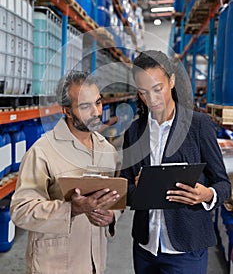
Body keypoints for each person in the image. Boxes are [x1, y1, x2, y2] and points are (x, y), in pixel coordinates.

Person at [120, 50, 232, 274]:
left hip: (186, 249)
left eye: (157, 89)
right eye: (143, 92)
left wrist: (207, 195)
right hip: (145, 247)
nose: (151, 99)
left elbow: (223, 184)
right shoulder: (134, 132)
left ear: (171, 81)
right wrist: (140, 189)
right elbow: (125, 187)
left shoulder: (198, 126)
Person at [10, 70, 122, 274]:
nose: (96, 112)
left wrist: (112, 215)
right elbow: (20, 210)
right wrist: (72, 209)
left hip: (95, 264)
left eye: (98, 102)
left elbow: (116, 199)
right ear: (67, 111)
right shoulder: (42, 152)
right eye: (85, 106)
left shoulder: (107, 150)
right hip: (54, 265)